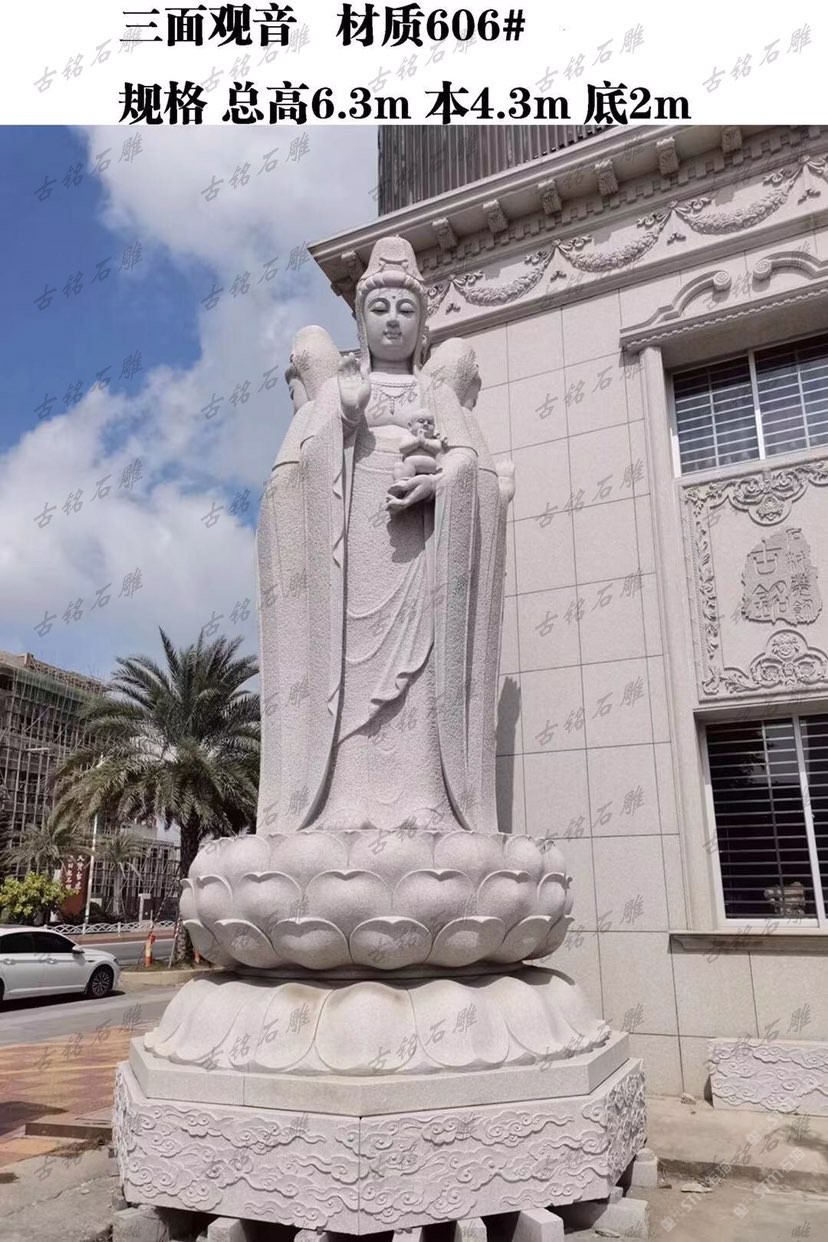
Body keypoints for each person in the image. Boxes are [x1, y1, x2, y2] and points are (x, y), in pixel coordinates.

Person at [256, 235, 514, 834]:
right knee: (345, 678)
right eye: (379, 308)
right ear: (361, 320)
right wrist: (343, 419)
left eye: (405, 309)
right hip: (348, 559)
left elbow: (472, 465)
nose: (392, 320)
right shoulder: (337, 391)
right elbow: (290, 481)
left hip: (420, 552)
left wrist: (440, 481)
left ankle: (424, 798)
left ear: (422, 327)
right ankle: (343, 800)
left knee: (421, 676)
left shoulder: (437, 393)